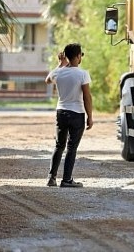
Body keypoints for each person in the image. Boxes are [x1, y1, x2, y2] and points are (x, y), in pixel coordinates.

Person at [45, 43, 93, 188]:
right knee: (71, 147)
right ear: (78, 56)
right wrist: (90, 116)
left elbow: (47, 80)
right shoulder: (83, 74)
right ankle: (66, 180)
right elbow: (87, 97)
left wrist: (60, 64)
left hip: (61, 112)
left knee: (59, 145)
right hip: (77, 113)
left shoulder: (59, 72)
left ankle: (51, 178)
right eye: (81, 55)